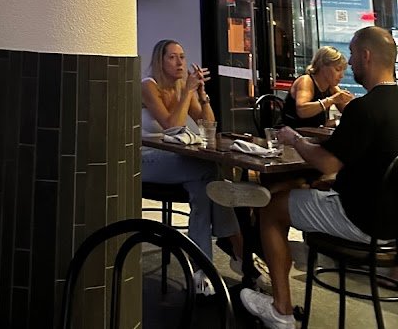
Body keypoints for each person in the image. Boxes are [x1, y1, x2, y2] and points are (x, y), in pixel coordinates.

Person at [213, 26, 398, 329]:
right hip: (391, 223)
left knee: (271, 210)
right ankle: (255, 200)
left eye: (353, 54)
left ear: (367, 55)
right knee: (298, 187)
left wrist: (295, 140)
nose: (350, 63)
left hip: (360, 219)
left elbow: (326, 162)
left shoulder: (364, 108)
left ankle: (281, 310)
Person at [141, 39, 246, 295]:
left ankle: (201, 270)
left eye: (182, 57)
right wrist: (187, 92)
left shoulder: (182, 88)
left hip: (174, 160)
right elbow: (171, 127)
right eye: (172, 57)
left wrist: (202, 95)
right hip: (146, 159)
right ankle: (236, 246)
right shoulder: (148, 86)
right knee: (211, 172)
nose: (180, 62)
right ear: (160, 61)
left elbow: (208, 125)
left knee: (204, 190)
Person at [280, 45, 354, 129]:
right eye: (337, 69)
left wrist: (354, 104)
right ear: (322, 66)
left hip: (312, 132)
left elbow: (347, 112)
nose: (341, 76)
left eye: (343, 71)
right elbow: (302, 110)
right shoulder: (306, 81)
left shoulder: (331, 87)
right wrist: (332, 100)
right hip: (291, 132)